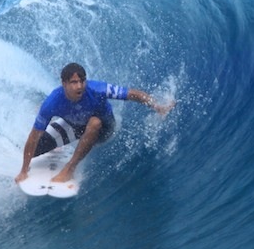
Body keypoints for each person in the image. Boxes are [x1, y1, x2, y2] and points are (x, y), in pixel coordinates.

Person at [15, 63, 174, 185]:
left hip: (103, 129)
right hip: (75, 126)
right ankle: (57, 141)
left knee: (94, 122)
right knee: (35, 149)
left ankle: (70, 169)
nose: (79, 86)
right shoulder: (52, 101)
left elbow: (132, 94)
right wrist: (23, 171)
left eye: (82, 81)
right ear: (64, 84)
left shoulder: (97, 89)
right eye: (74, 82)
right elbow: (34, 135)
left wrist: (158, 107)